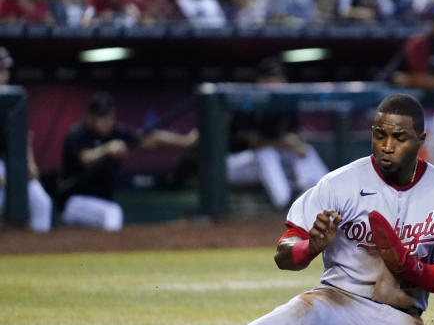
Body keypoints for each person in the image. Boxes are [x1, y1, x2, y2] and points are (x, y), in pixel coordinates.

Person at [159, 94, 434, 325]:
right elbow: (284, 251)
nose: (387, 146)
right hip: (338, 305)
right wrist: (310, 247)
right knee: (291, 315)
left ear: (421, 139)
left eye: (400, 137)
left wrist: (412, 268)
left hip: (401, 319)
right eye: (380, 135)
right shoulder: (341, 184)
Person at [59, 92, 198, 231]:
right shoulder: (78, 133)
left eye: (110, 117)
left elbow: (150, 138)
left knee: (108, 214)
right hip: (74, 201)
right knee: (112, 214)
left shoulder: (116, 132)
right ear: (91, 117)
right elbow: (85, 159)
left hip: (102, 201)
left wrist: (184, 141)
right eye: (103, 118)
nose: (108, 122)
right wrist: (107, 149)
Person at [226, 58, 328, 210]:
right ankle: (285, 203)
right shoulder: (245, 103)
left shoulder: (284, 105)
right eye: (273, 79)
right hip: (232, 165)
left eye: (280, 79)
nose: (278, 83)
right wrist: (284, 143)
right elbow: (254, 143)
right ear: (260, 82)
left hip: (264, 164)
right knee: (266, 153)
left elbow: (294, 137)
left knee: (305, 150)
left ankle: (324, 194)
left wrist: (296, 144)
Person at [0, 47, 53, 232]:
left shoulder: (15, 97)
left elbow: (22, 136)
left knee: (42, 202)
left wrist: (28, 163)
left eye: (5, 70)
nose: (4, 75)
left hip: (11, 163)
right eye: (1, 70)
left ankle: (33, 251)